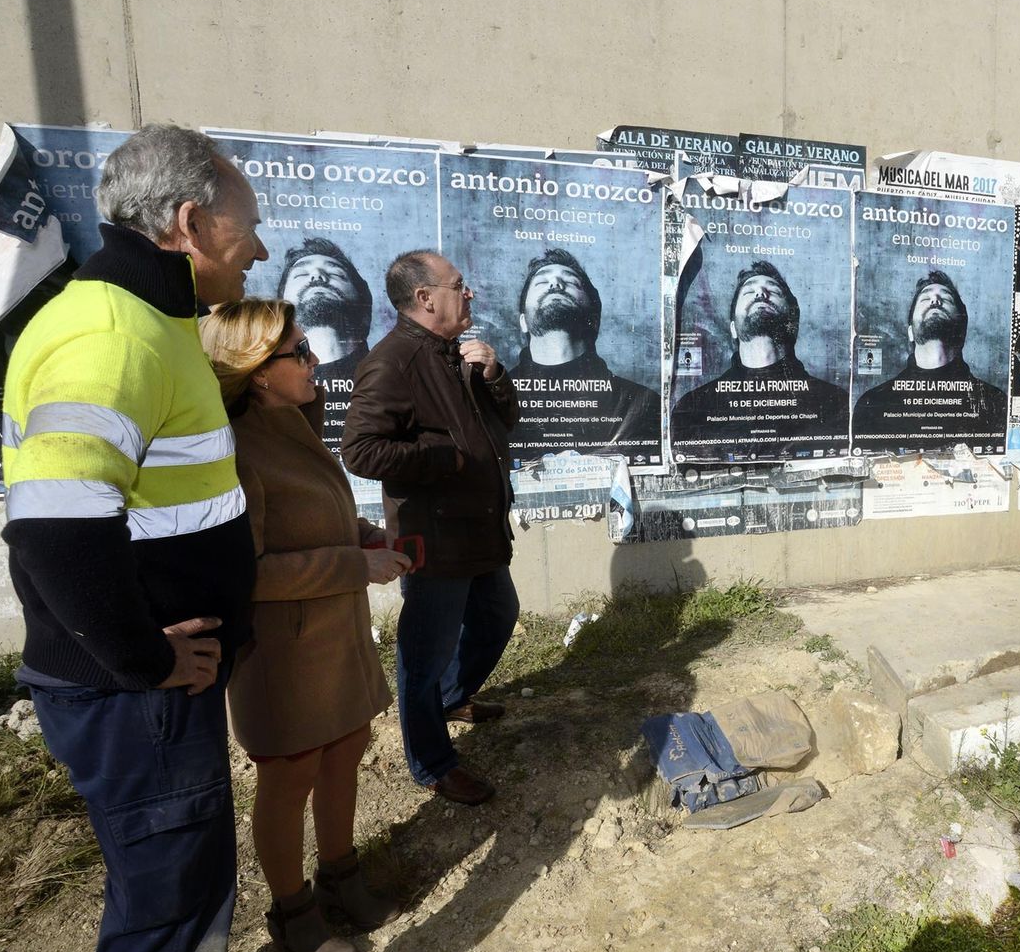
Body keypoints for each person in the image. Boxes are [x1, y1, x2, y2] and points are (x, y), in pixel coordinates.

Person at [0, 124, 265, 952]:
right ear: (190, 223)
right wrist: (143, 659)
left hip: (147, 690)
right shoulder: (111, 333)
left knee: (183, 877)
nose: (259, 249)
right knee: (166, 897)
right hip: (135, 696)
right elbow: (54, 532)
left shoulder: (148, 321)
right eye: (248, 226)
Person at [201, 299, 407, 952]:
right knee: (289, 775)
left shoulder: (294, 421)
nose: (315, 361)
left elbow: (312, 518)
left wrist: (363, 534)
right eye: (299, 351)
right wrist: (356, 562)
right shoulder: (233, 449)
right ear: (258, 371)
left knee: (348, 744)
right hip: (281, 651)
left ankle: (341, 877)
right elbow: (248, 572)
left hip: (331, 632)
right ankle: (294, 915)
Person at [341, 250, 519, 806]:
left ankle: (450, 699)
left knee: (497, 617)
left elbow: (503, 424)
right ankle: (433, 763)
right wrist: (446, 457)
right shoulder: (392, 362)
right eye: (459, 286)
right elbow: (361, 450)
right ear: (425, 298)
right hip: (436, 536)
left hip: (480, 528)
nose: (469, 295)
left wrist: (493, 377)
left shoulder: (456, 353)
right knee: (424, 655)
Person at [669, 259, 848, 448]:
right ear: (733, 329)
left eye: (774, 291)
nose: (761, 293)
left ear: (792, 324)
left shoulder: (833, 403)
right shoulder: (694, 408)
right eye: (749, 291)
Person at [510, 247, 660, 456]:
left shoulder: (639, 404)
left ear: (594, 320)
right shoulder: (495, 397)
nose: (556, 284)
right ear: (523, 322)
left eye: (571, 282)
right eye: (542, 282)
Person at [851, 270, 1008, 448]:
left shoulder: (995, 402)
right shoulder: (873, 404)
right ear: (910, 332)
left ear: (963, 329)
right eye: (926, 299)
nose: (935, 301)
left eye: (946, 299)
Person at [275, 237, 373, 382]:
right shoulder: (271, 380)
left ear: (362, 297)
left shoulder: (391, 374)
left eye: (336, 274)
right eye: (301, 274)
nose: (317, 275)